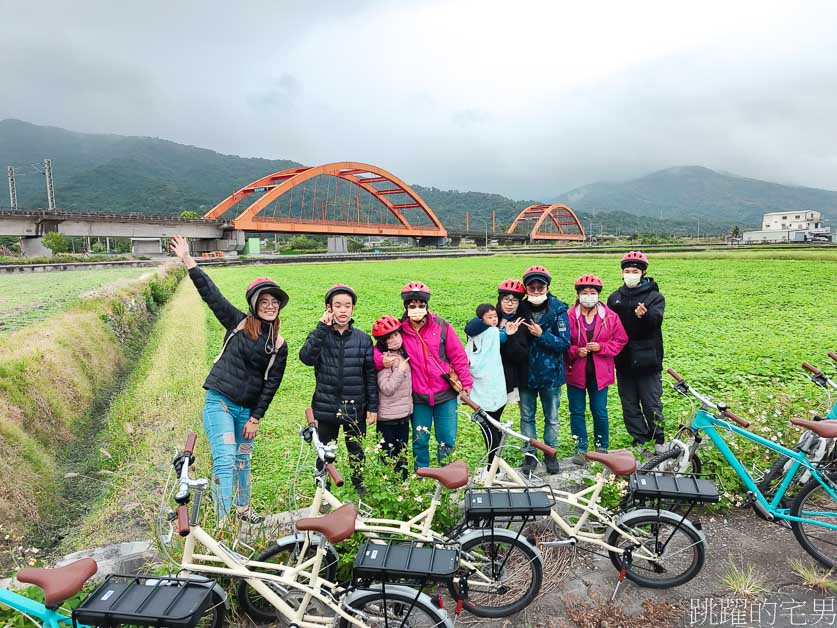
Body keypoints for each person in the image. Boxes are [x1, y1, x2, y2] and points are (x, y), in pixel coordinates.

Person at [170, 235, 288, 525]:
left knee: (242, 460)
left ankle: (243, 510)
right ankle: (223, 526)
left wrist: (256, 418)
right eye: (265, 301)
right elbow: (212, 294)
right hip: (220, 403)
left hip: (247, 413)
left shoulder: (279, 344)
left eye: (274, 302)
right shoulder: (237, 321)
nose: (270, 306)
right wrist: (188, 259)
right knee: (224, 460)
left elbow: (271, 385)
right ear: (254, 303)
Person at [374, 281, 472, 468]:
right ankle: (423, 476)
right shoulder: (399, 330)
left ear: (427, 306)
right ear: (406, 307)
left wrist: (466, 383)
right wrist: (381, 361)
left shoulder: (441, 326)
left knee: (447, 440)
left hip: (445, 394)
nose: (417, 309)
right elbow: (378, 349)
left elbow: (458, 355)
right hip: (418, 397)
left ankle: (447, 474)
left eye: (421, 305)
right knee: (420, 441)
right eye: (412, 306)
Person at [299, 284, 378, 494]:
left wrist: (373, 406)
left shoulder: (362, 339)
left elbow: (370, 374)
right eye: (338, 306)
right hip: (326, 405)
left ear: (353, 309)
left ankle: (358, 482)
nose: (343, 310)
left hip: (355, 405)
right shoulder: (320, 334)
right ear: (329, 308)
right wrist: (321, 329)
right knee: (324, 449)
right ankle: (322, 484)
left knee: (356, 448)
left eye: (347, 306)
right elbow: (306, 357)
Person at [606, 251, 667, 454]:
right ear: (622, 273)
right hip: (623, 359)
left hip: (648, 359)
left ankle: (658, 438)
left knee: (652, 402)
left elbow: (656, 322)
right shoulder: (614, 298)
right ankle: (640, 439)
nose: (631, 274)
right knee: (629, 404)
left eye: (635, 271)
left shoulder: (654, 297)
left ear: (643, 273)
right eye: (627, 271)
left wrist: (645, 315)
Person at [565, 274, 628, 466]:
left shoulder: (610, 317)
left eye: (592, 292)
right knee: (577, 411)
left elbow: (620, 340)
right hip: (576, 373)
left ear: (598, 295)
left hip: (601, 373)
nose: (588, 296)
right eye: (584, 293)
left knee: (599, 411)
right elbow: (562, 344)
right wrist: (576, 351)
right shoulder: (568, 316)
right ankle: (581, 449)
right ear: (578, 294)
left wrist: (602, 348)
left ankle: (602, 447)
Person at [517, 265, 570, 475]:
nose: (537, 291)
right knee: (527, 416)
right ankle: (530, 454)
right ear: (526, 288)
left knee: (552, 417)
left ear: (547, 287)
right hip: (526, 374)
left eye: (541, 287)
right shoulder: (520, 310)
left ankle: (550, 453)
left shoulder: (558, 310)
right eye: (532, 288)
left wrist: (542, 335)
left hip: (551, 375)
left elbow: (565, 343)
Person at [464, 304, 509, 465]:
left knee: (489, 427)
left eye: (495, 316)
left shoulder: (486, 332)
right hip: (493, 385)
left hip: (486, 386)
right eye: (489, 317)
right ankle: (494, 462)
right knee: (492, 425)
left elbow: (472, 357)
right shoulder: (487, 332)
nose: (494, 320)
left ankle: (493, 464)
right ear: (481, 319)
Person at [371, 315, 412, 478]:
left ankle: (402, 487)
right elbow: (387, 388)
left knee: (402, 455)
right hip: (388, 418)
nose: (394, 339)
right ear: (382, 342)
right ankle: (388, 490)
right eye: (389, 338)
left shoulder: (401, 353)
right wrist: (400, 370)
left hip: (403, 415)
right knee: (388, 457)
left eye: (396, 334)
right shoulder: (385, 359)